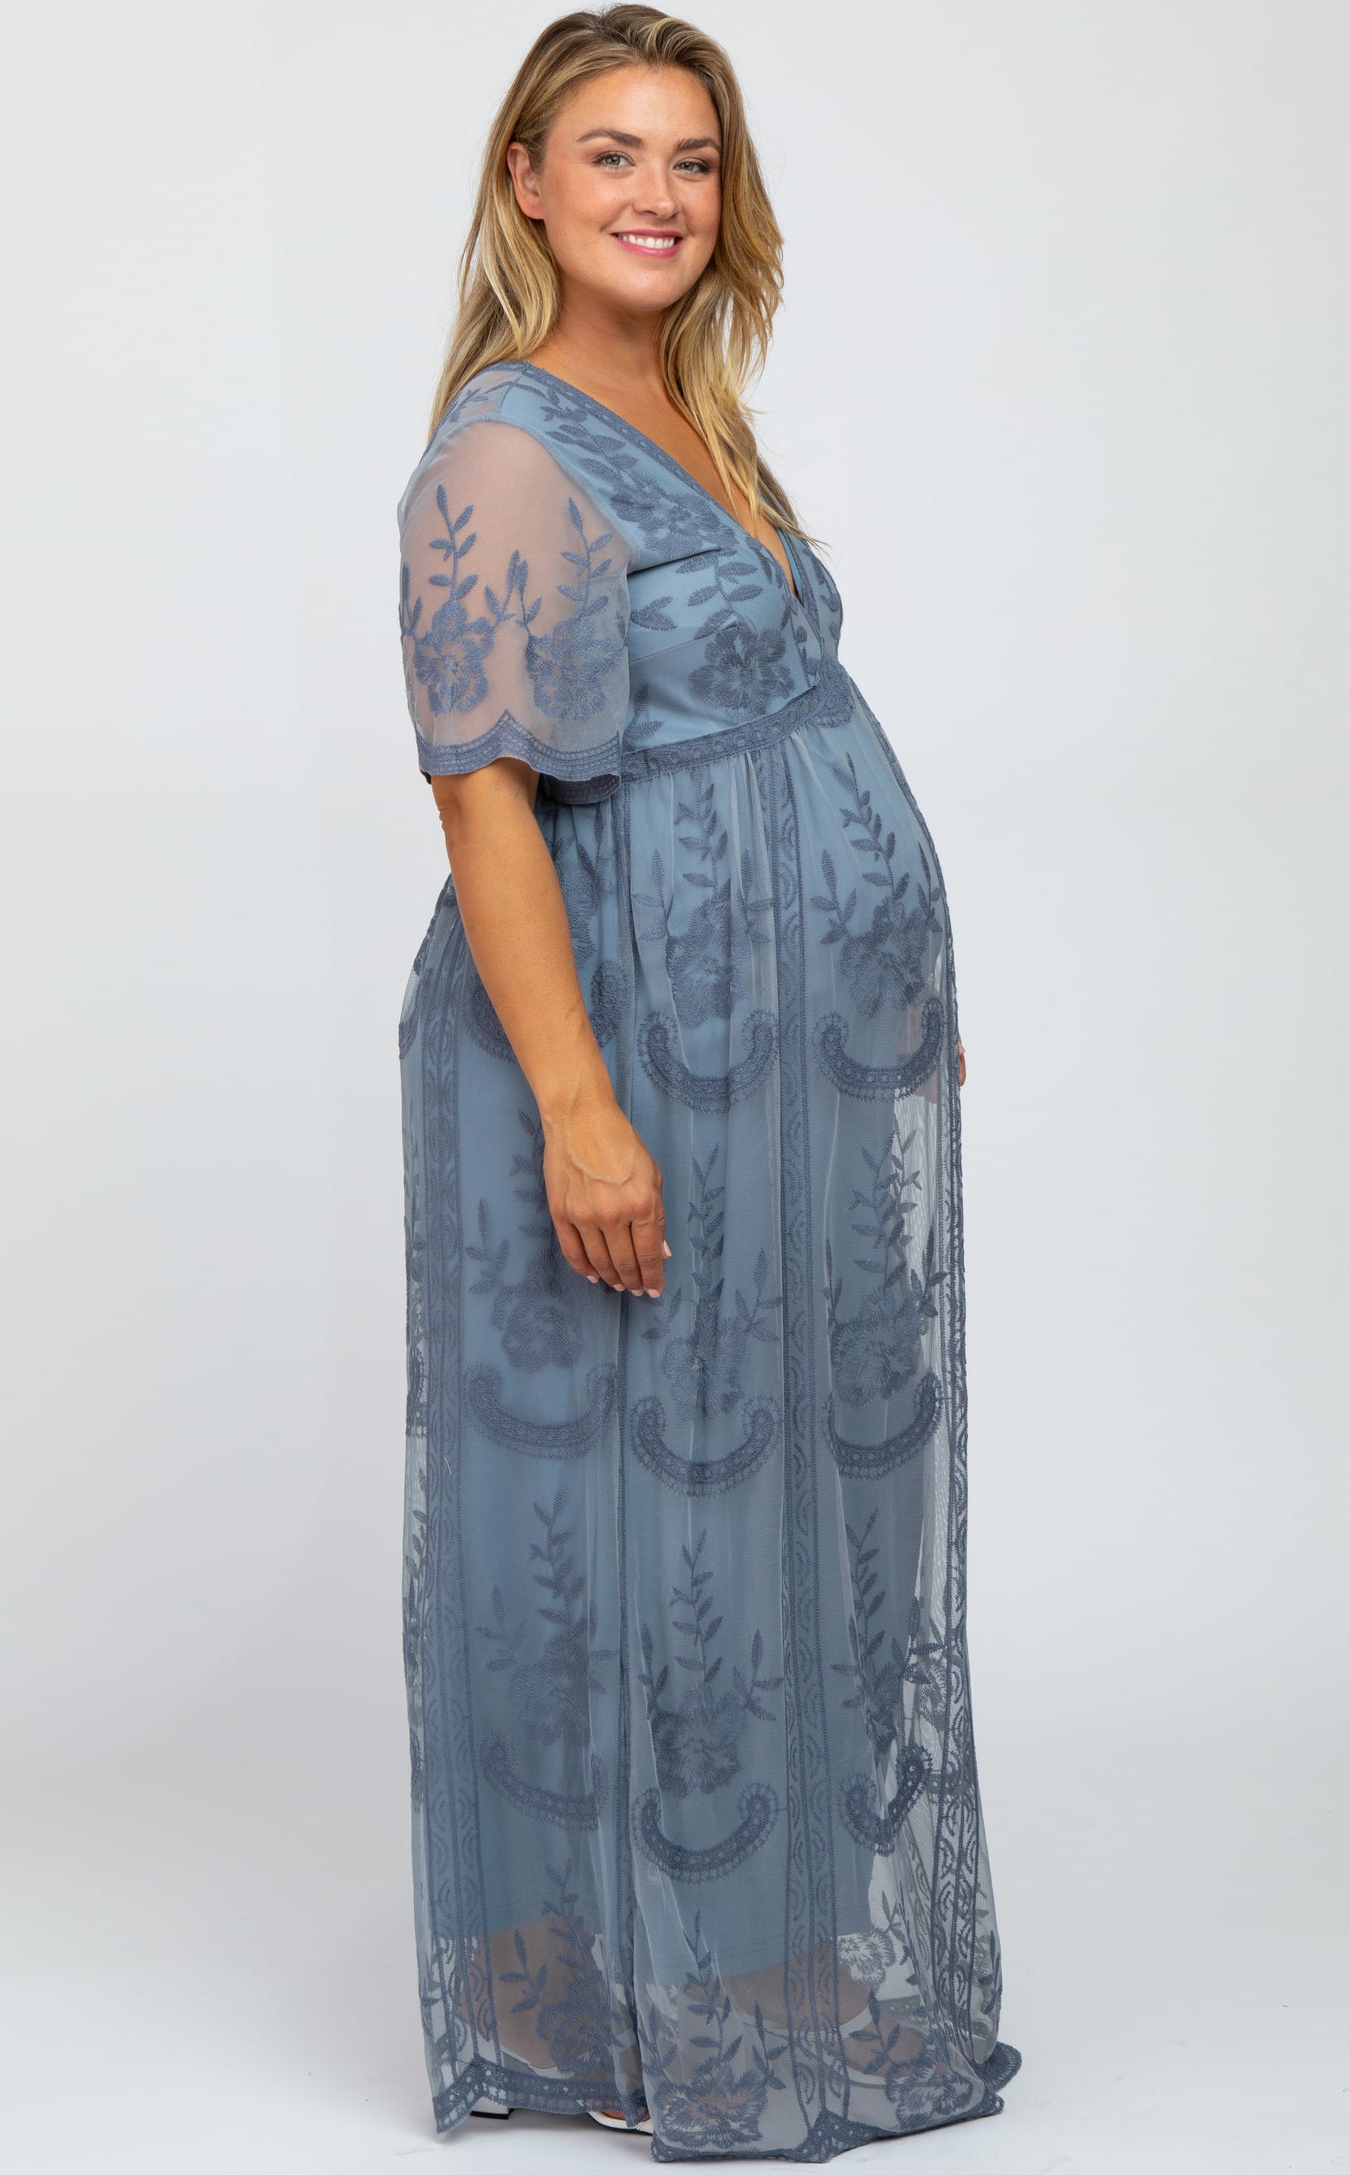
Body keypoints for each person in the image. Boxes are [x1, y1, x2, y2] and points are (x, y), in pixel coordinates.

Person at [394, 5, 1022, 2157]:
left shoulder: (678, 398)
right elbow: (483, 798)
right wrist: (579, 1109)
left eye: (691, 157)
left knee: (766, 1490)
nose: (657, 194)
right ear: (525, 184)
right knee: (640, 1500)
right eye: (611, 153)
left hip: (781, 1048)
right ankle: (644, 1991)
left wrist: (880, 967)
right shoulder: (508, 447)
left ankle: (739, 1951)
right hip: (638, 1039)